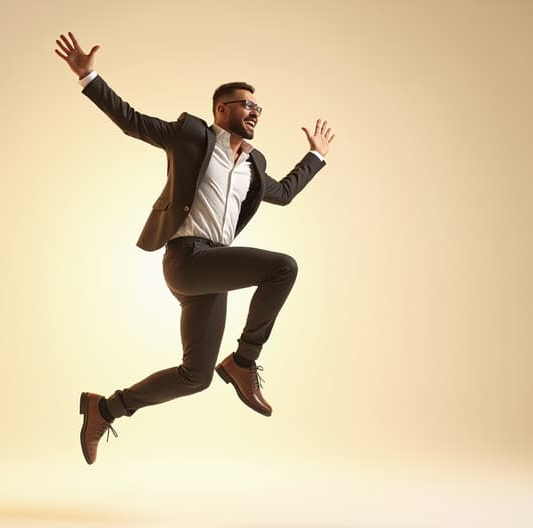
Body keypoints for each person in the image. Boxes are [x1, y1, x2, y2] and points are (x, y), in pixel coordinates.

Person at [54, 32, 336, 465]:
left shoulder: (254, 166)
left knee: (195, 377)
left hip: (214, 268)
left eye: (258, 107)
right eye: (247, 104)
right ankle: (244, 361)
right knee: (284, 267)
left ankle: (105, 408)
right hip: (187, 259)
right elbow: (132, 120)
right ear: (222, 109)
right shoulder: (191, 137)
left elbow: (283, 193)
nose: (255, 112)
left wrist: (315, 157)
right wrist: (88, 77)